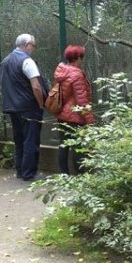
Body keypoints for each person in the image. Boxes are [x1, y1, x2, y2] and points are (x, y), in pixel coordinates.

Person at [0, 33, 48, 181]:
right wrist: (40, 104)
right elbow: (36, 86)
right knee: (31, 140)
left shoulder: (6, 61)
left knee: (19, 139)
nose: (33, 48)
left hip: (12, 107)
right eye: (33, 45)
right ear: (26, 45)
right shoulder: (27, 61)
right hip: (28, 107)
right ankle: (29, 173)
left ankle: (20, 171)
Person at [52, 45, 95, 174]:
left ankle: (64, 175)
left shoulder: (62, 71)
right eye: (81, 57)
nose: (82, 60)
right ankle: (81, 176)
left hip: (62, 115)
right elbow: (82, 100)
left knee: (63, 145)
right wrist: (90, 119)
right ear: (78, 58)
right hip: (75, 116)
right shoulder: (76, 74)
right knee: (78, 147)